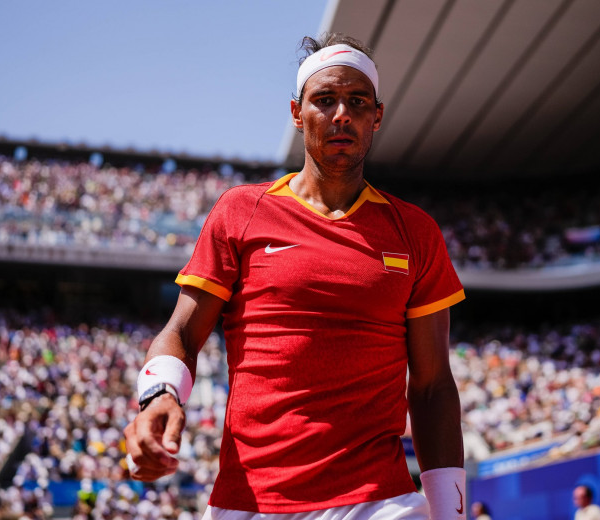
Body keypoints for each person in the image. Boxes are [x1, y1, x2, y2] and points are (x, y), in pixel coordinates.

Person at [123, 33, 467, 520]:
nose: (342, 114)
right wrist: (159, 395)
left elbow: (432, 387)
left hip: (379, 501)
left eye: (358, 101)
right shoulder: (241, 210)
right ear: (295, 112)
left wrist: (450, 511)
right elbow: (180, 332)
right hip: (251, 500)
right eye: (325, 100)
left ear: (377, 116)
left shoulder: (415, 231)